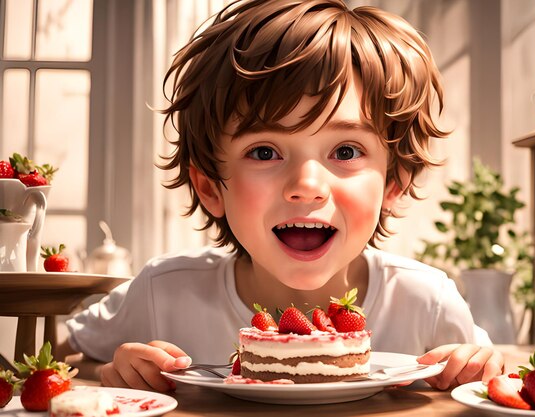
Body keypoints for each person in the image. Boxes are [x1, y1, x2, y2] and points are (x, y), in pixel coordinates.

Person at [64, 0, 504, 392]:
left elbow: (488, 371)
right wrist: (112, 369)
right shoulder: (165, 292)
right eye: (264, 151)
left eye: (345, 151)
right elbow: (61, 353)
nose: (306, 186)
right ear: (210, 187)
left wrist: (479, 365)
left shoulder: (425, 300)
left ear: (394, 182)